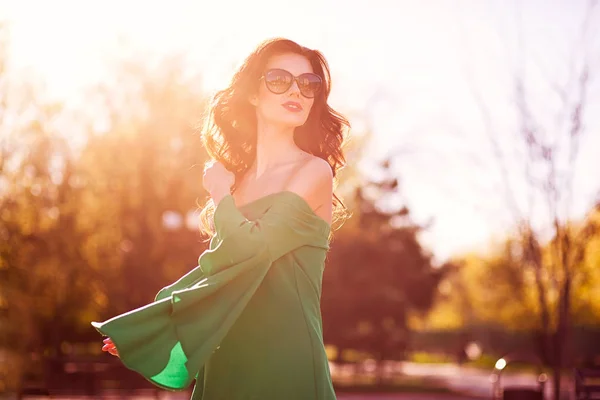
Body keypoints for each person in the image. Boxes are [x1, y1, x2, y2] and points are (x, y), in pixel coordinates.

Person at [92, 37, 350, 400]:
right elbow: (218, 271)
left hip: (286, 363)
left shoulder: (314, 172)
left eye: (308, 84)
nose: (297, 91)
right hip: (227, 358)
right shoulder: (237, 182)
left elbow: (253, 249)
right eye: (280, 80)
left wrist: (218, 192)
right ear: (253, 94)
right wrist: (154, 325)